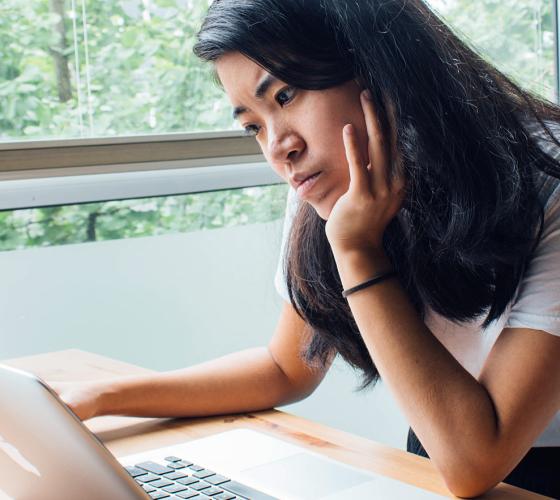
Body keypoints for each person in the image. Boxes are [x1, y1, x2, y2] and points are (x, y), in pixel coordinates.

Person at [53, 0, 560, 496]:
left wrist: (357, 251)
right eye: (253, 125)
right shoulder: (333, 179)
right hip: (439, 446)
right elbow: (285, 368)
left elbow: (476, 459)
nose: (279, 146)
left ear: (378, 70)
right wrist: (101, 397)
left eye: (286, 95)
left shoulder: (548, 178)